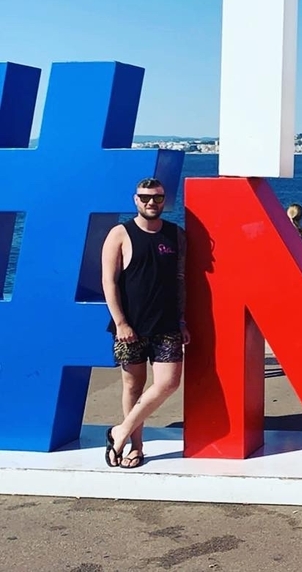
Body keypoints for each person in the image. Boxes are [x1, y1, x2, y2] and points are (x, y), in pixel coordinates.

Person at [100, 178, 189, 469]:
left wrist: (182, 319)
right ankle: (135, 448)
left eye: (158, 198)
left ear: (165, 200)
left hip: (166, 326)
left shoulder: (176, 235)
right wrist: (121, 322)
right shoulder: (120, 234)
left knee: (167, 383)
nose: (152, 202)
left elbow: (180, 280)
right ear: (135, 200)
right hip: (130, 326)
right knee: (133, 386)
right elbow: (109, 281)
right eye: (146, 197)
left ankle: (119, 432)